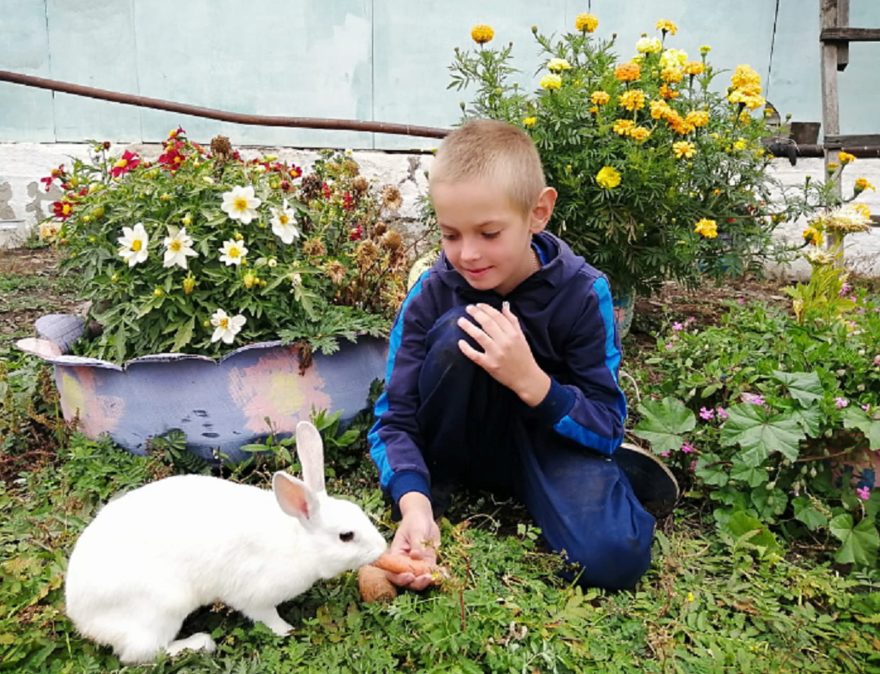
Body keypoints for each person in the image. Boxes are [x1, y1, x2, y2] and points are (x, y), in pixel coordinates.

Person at [368, 119, 677, 591]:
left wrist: (532, 381)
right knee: (458, 330)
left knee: (614, 560)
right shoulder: (432, 292)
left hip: (548, 444)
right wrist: (414, 500)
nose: (467, 254)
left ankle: (604, 485)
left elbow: (607, 421)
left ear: (538, 212)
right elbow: (395, 417)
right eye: (451, 235)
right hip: (456, 442)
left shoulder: (582, 293)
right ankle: (443, 484)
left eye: (489, 233)